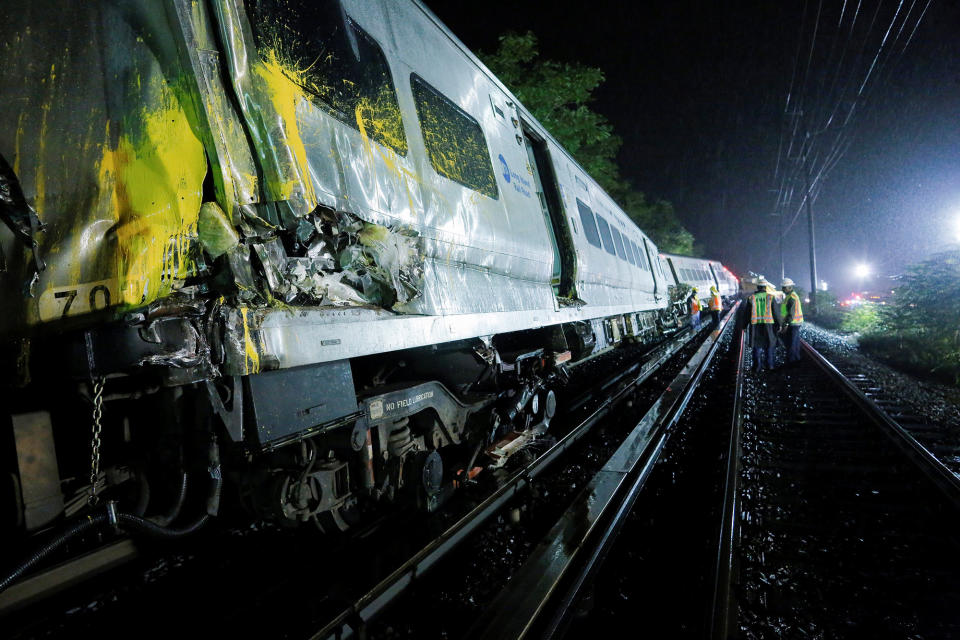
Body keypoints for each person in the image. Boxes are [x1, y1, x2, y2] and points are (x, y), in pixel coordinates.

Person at [739, 277, 782, 372]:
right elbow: (776, 312)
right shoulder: (770, 297)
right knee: (769, 345)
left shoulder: (752, 298)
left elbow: (747, 313)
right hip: (768, 325)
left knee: (756, 346)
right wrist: (779, 324)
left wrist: (744, 325)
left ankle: (756, 367)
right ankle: (769, 365)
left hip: (755, 325)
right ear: (765, 287)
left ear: (758, 287)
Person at [778, 277, 804, 364]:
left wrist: (786, 324)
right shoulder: (789, 296)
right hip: (794, 323)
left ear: (789, 287)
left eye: (784, 287)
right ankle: (796, 359)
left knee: (791, 343)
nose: (782, 289)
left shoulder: (792, 297)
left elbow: (791, 314)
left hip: (793, 323)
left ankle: (792, 361)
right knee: (794, 342)